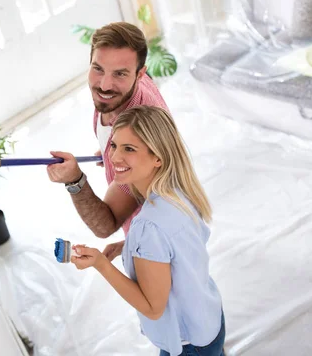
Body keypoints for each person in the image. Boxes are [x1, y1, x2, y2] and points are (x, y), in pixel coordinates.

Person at [70, 106, 225, 356]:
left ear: (158, 157)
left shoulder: (147, 227)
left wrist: (101, 264)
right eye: (114, 146)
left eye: (129, 149)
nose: (114, 157)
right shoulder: (179, 191)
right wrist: (128, 246)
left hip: (189, 345)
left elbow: (153, 308)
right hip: (211, 320)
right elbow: (175, 245)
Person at [47, 22, 168, 260]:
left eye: (120, 73)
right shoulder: (122, 95)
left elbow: (105, 224)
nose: (104, 85)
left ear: (139, 74)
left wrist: (74, 181)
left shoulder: (138, 133)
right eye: (98, 69)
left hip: (155, 247)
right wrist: (109, 151)